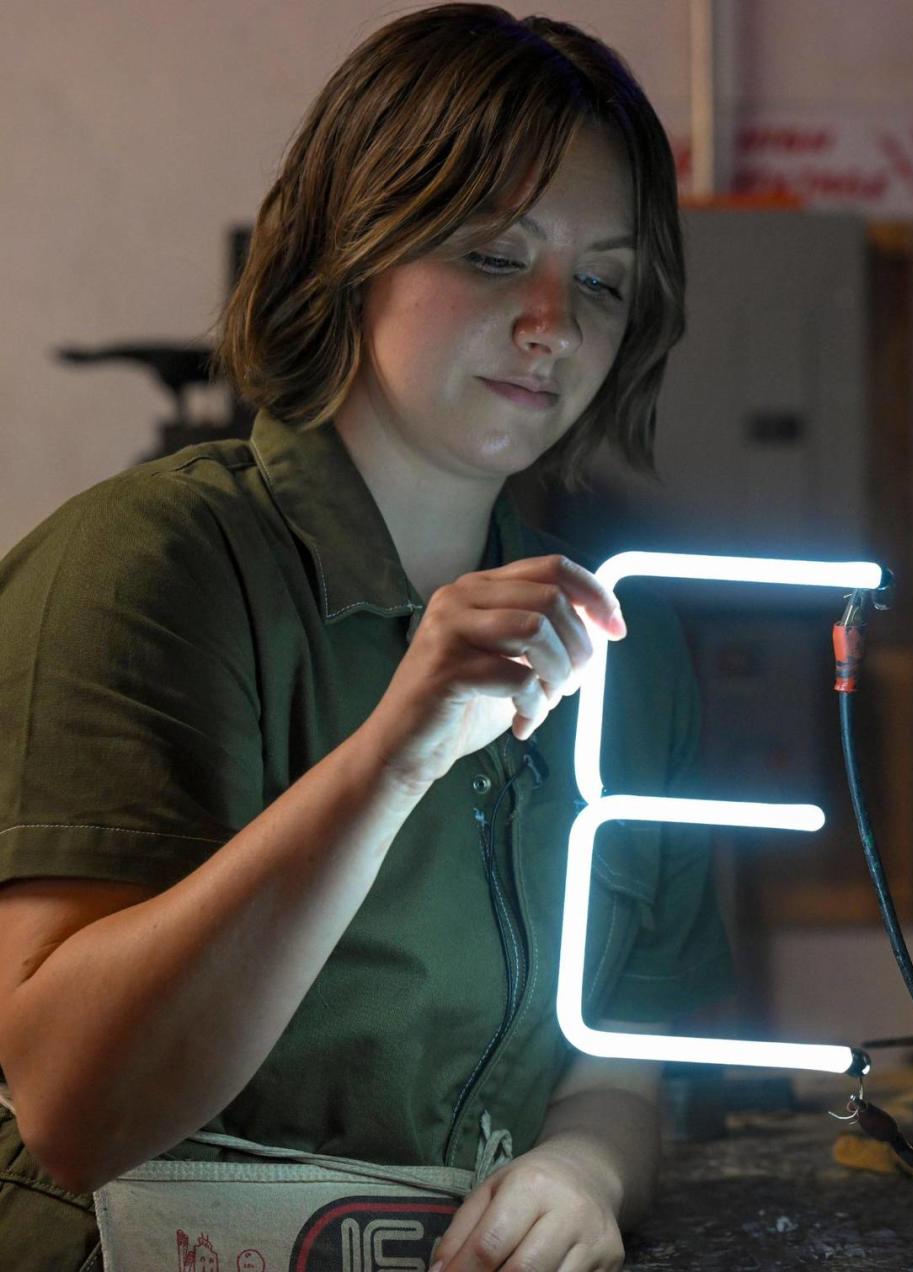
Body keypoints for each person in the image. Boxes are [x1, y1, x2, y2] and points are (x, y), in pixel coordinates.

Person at [0, 5, 734, 1269]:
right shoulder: (149, 567)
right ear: (352, 248)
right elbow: (76, 1106)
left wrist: (586, 1166)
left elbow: (627, 1049)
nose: (556, 322)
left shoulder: (626, 640)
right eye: (496, 255)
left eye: (603, 280)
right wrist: (393, 756)